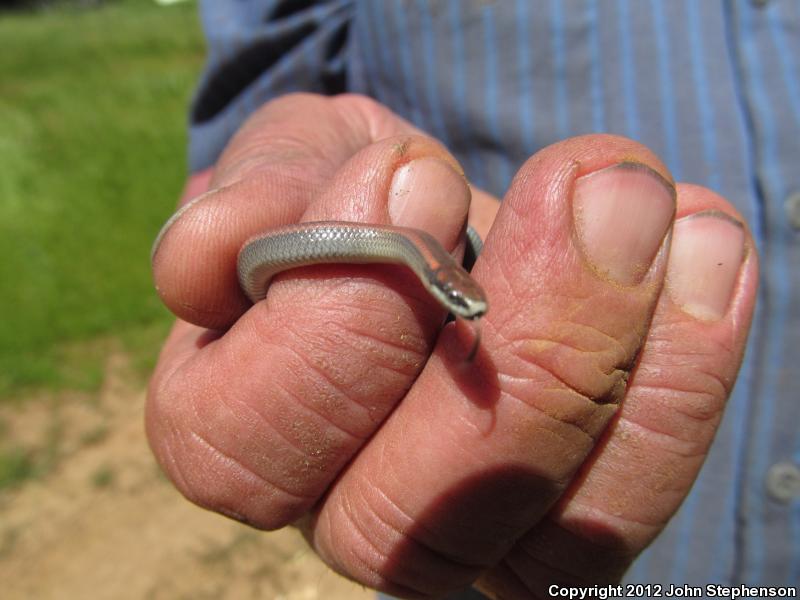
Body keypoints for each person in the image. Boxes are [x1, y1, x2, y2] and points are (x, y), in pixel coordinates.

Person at [147, 1, 799, 597]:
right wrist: (258, 175)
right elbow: (254, 96)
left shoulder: (429, 263)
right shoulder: (411, 249)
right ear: (438, 282)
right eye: (460, 301)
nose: (467, 312)